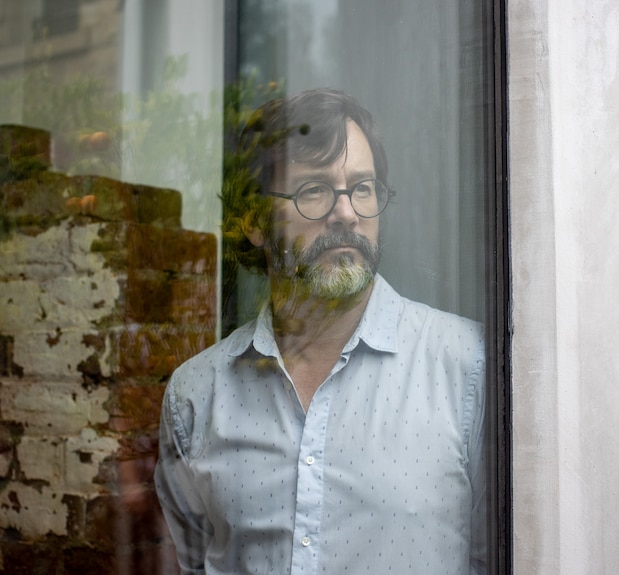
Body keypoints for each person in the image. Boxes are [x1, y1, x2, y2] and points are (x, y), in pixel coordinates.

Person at [154, 88, 487, 574]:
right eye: (314, 190)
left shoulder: (468, 368)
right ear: (253, 219)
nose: (347, 213)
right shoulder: (196, 396)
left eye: (363, 188)